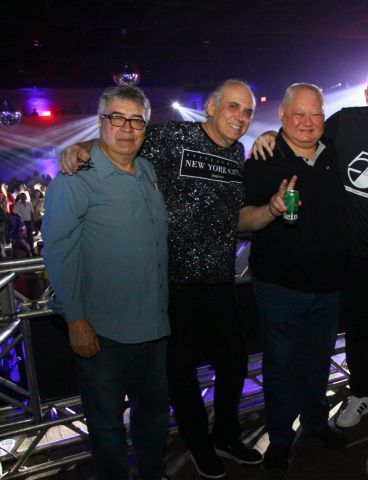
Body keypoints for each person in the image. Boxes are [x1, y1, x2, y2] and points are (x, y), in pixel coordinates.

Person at [58, 79, 262, 479]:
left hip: (219, 280)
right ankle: (198, 446)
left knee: (234, 364)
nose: (241, 117)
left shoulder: (238, 153)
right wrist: (81, 147)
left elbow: (235, 216)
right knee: (180, 377)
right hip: (173, 284)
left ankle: (225, 435)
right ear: (210, 107)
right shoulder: (172, 136)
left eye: (248, 111)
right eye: (233, 107)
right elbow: (122, 138)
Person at [253, 61, 368, 446]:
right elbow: (302, 132)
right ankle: (360, 395)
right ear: (367, 95)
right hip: (351, 257)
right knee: (355, 332)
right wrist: (270, 134)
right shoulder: (345, 123)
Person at [43, 85, 169, 480]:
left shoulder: (147, 171)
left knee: (153, 417)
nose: (127, 128)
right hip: (103, 332)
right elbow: (58, 253)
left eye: (136, 120)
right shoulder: (75, 179)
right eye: (117, 118)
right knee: (107, 427)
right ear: (100, 123)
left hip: (153, 327)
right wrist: (76, 320)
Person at [238, 83, 350, 470]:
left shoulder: (334, 152)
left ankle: (316, 423)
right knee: (281, 366)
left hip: (329, 285)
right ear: (282, 116)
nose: (307, 121)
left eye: (315, 113)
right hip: (280, 287)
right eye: (298, 114)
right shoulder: (263, 157)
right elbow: (241, 219)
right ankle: (281, 438)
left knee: (319, 361)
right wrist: (271, 209)